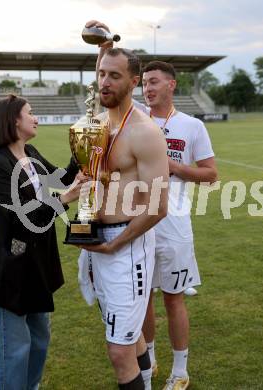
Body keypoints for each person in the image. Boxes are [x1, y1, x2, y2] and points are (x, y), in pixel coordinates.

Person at [88, 20, 218, 390]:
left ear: (170, 85)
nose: (148, 87)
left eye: (153, 81)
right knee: (140, 302)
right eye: (145, 82)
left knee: (174, 299)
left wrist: (176, 167)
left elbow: (211, 174)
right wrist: (104, 47)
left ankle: (181, 370)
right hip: (131, 222)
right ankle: (149, 361)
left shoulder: (189, 126)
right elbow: (103, 86)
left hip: (171, 221)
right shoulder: (119, 121)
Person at [79, 45, 169, 390]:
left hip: (125, 244)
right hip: (99, 241)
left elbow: (157, 206)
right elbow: (92, 181)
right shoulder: (97, 125)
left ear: (133, 82)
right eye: (102, 73)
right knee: (128, 336)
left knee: (119, 350)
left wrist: (114, 243)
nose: (105, 82)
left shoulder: (144, 133)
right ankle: (146, 380)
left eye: (114, 76)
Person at [0, 94, 86, 390]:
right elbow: (21, 219)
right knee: (15, 351)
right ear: (14, 120)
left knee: (39, 341)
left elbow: (62, 179)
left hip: (38, 265)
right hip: (13, 270)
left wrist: (81, 152)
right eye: (31, 113)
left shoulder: (30, 151)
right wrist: (65, 200)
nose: (35, 117)